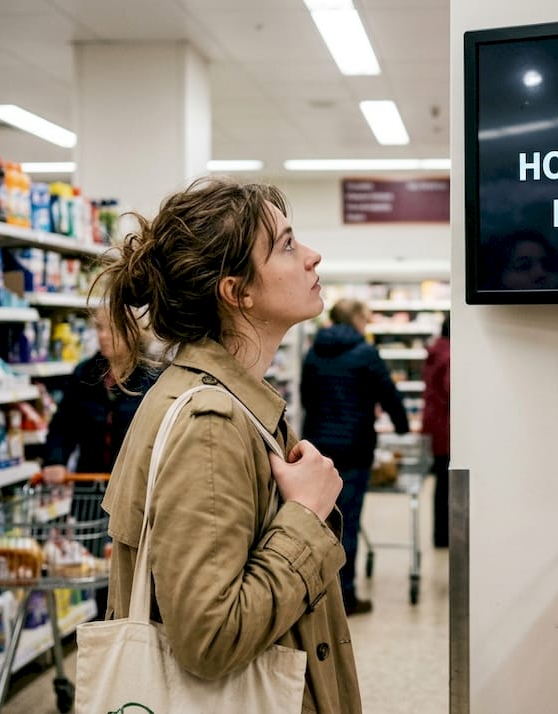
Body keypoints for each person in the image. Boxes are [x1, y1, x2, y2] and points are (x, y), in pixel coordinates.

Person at [98, 177, 361, 713]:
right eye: (287, 245)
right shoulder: (210, 420)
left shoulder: (226, 401)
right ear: (236, 291)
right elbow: (209, 638)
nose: (313, 256)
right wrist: (308, 514)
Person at [300, 298, 410, 615]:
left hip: (319, 448)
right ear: (357, 319)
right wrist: (401, 427)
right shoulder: (364, 352)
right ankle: (344, 595)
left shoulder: (314, 351)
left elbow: (307, 396)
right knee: (347, 519)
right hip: (355, 449)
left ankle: (314, 590)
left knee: (319, 519)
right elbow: (388, 392)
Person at [41, 305, 157, 483]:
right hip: (89, 486)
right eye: (99, 328)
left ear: (134, 332)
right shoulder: (85, 374)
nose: (102, 336)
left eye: (112, 329)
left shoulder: (151, 378)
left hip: (133, 488)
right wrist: (55, 460)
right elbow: (64, 424)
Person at [422, 315, 450, 548]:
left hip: (436, 426)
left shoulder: (436, 350)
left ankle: (440, 535)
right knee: (448, 485)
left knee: (442, 484)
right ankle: (444, 536)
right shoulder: (450, 354)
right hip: (449, 428)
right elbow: (453, 390)